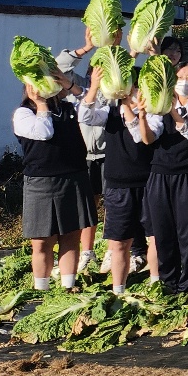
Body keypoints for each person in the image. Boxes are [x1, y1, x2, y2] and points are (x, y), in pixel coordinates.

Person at [13, 70, 96, 291]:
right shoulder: (23, 114)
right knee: (42, 241)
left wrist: (70, 86)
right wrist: (40, 105)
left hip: (74, 178)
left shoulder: (68, 108)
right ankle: (42, 289)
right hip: (41, 183)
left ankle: (69, 286)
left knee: (70, 236)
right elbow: (44, 133)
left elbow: (91, 104)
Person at [77, 77, 157, 294]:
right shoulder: (110, 112)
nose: (134, 92)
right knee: (120, 242)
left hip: (149, 183)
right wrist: (94, 87)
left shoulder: (154, 113)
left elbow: (139, 136)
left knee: (154, 237)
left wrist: (130, 109)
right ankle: (118, 289)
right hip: (117, 185)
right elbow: (84, 115)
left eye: (138, 88)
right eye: (132, 88)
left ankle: (156, 284)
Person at [143, 62, 188, 294]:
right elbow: (149, 137)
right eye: (180, 77)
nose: (185, 81)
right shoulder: (160, 105)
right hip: (160, 175)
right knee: (162, 232)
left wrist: (176, 108)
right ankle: (167, 281)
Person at [55, 36, 101, 273]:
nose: (98, 75)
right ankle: (87, 252)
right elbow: (59, 67)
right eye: (95, 69)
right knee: (87, 207)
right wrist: (87, 47)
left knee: (115, 206)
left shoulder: (114, 92)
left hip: (110, 157)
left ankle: (115, 251)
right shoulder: (78, 85)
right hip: (84, 157)